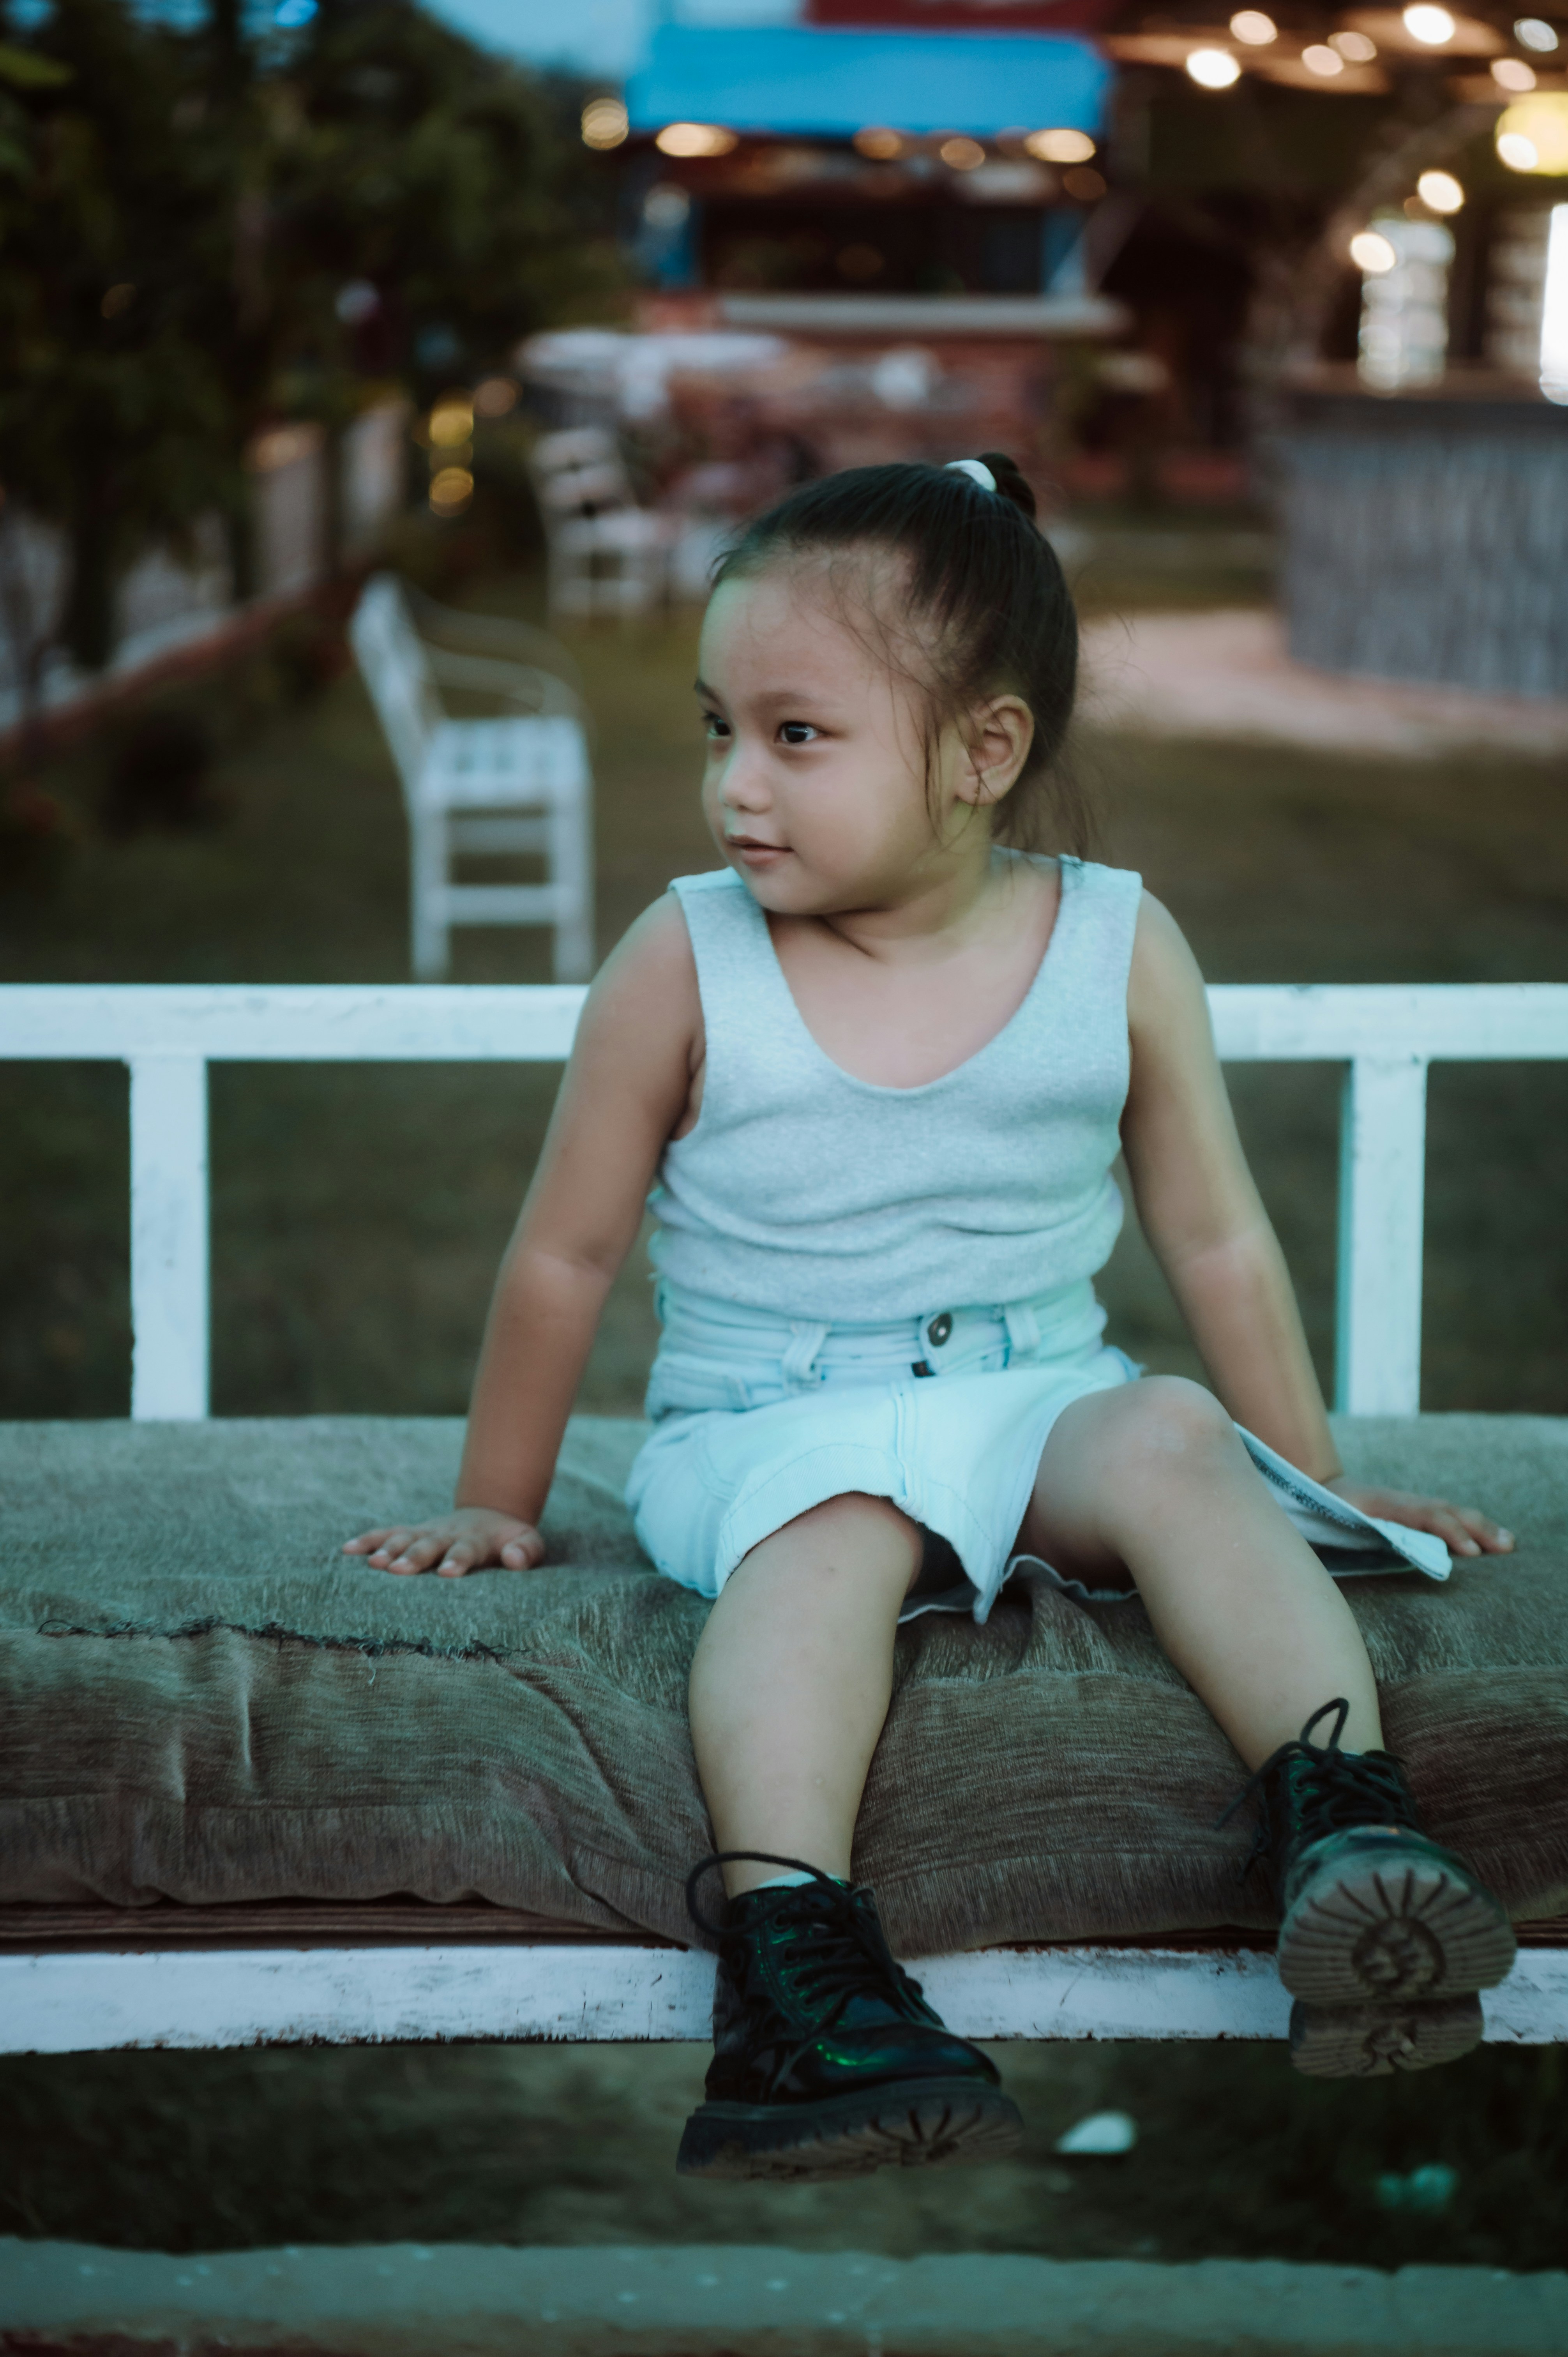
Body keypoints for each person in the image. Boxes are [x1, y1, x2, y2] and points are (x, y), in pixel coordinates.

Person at [345, 453, 1518, 2182]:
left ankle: (1343, 1832)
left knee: (1173, 1430)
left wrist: (1319, 1482)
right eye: (717, 728)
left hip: (1030, 1399)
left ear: (982, 751)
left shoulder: (1112, 943)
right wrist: (500, 1501)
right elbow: (563, 1259)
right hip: (761, 1430)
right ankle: (798, 1974)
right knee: (836, 1534)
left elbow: (1215, 1245)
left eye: (797, 737)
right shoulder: (687, 960)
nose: (735, 787)